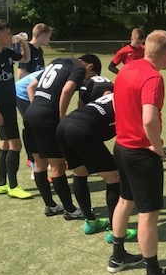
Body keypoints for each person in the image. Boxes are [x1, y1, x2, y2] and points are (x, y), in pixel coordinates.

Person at [110, 30, 166, 275]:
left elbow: (117, 104)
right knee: (148, 215)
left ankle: (118, 256)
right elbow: (149, 119)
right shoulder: (153, 78)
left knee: (125, 201)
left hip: (121, 147)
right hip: (141, 153)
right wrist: (158, 148)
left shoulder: (127, 68)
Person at [24, 55, 100, 218]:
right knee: (57, 166)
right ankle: (70, 210)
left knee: (39, 164)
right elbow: (67, 90)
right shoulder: (78, 68)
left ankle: (50, 206)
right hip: (48, 118)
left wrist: (37, 108)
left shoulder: (57, 62)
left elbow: (31, 87)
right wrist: (62, 116)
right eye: (89, 77)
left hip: (31, 114)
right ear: (89, 67)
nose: (85, 81)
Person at [56, 91, 137, 243]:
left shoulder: (115, 93)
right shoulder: (129, 100)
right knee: (114, 177)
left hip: (64, 126)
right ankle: (115, 230)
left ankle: (90, 222)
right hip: (82, 129)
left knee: (80, 173)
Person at [0, 19, 33, 199]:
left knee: (5, 143)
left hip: (10, 103)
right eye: (8, 34)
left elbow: (25, 58)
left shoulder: (6, 52)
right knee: (16, 145)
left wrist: (23, 41)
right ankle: (14, 186)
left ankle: (1, 184)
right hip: (2, 107)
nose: (11, 36)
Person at [15, 69, 44, 175]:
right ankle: (33, 163)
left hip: (34, 94)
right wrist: (34, 110)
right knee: (32, 128)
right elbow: (30, 88)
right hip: (22, 94)